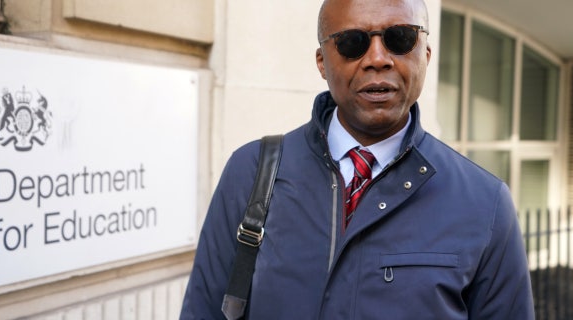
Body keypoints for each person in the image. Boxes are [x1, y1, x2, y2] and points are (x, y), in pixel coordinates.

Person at [180, 0, 535, 318]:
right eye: (352, 42)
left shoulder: (485, 202)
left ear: (425, 54)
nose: (378, 58)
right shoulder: (252, 171)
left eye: (400, 38)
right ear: (322, 61)